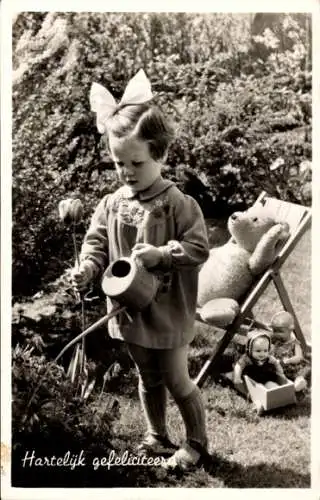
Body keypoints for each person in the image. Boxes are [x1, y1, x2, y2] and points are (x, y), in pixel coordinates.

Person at [71, 69, 210, 472]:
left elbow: (199, 248)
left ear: (161, 155)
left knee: (176, 377)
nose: (127, 172)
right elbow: (96, 242)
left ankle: (197, 443)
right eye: (118, 163)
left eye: (137, 162)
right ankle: (157, 435)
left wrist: (165, 254)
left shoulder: (178, 203)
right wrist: (87, 267)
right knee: (147, 375)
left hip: (168, 309)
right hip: (130, 310)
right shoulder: (112, 202)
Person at [233, 329, 286, 414]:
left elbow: (276, 363)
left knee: (272, 386)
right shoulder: (247, 359)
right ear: (249, 350)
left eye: (265, 350)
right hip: (252, 381)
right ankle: (257, 401)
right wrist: (237, 377)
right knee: (256, 390)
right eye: (258, 351)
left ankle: (277, 398)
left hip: (265, 378)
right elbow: (238, 366)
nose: (262, 354)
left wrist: (280, 372)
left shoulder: (268, 358)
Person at [270, 311, 311, 392]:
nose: (276, 334)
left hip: (295, 367)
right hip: (282, 368)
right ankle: (282, 383)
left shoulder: (294, 343)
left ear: (290, 329)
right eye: (274, 331)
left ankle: (299, 384)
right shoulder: (276, 342)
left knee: (300, 374)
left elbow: (299, 357)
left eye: (280, 331)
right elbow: (272, 351)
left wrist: (289, 360)